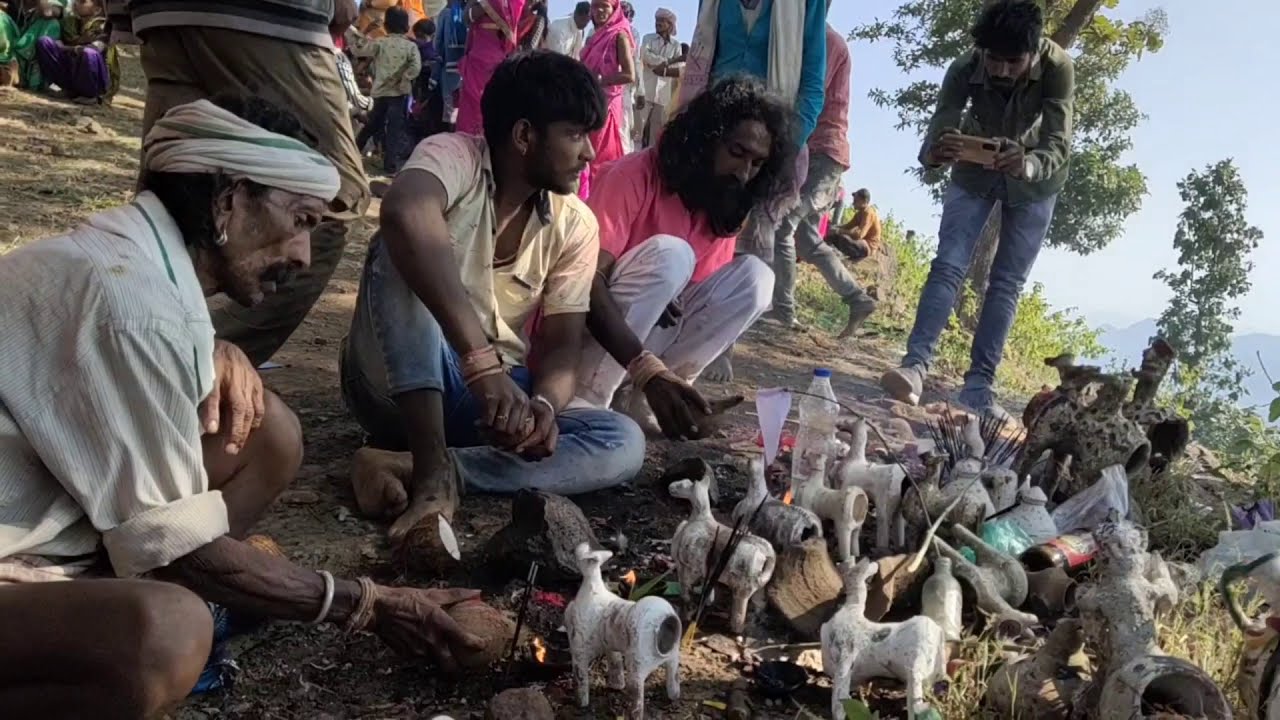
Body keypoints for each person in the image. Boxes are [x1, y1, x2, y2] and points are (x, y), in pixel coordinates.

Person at [0, 96, 486, 718]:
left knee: (266, 430)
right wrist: (367, 602)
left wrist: (215, 346)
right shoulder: (131, 304)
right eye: (302, 221)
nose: (304, 258)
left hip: (42, 526)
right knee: (170, 632)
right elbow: (181, 548)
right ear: (228, 201)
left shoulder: (138, 261)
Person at [340, 51, 644, 567]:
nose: (590, 153)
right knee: (398, 246)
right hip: (394, 382)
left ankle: (437, 468)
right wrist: (481, 364)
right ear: (524, 136)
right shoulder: (453, 155)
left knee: (622, 440)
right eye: (575, 135)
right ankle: (431, 471)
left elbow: (563, 346)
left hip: (483, 401)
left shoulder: (576, 224)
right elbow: (403, 209)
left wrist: (544, 409)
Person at [128, 0, 369, 367]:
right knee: (335, 196)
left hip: (159, 12)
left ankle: (135, 349)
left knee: (170, 187)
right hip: (267, 12)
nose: (301, 255)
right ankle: (193, 369)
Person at [880, 0, 1073, 420]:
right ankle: (914, 367)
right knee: (948, 264)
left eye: (1013, 61)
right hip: (974, 169)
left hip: (1035, 179)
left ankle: (979, 386)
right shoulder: (964, 67)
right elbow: (939, 126)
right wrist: (937, 150)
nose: (1001, 70)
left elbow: (1059, 140)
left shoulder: (1059, 68)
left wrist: (1027, 162)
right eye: (993, 60)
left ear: (1035, 50)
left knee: (1006, 282)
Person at [578, 76, 793, 437]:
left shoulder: (723, 204)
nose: (744, 173)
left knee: (758, 279)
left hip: (645, 359)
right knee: (672, 256)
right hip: (592, 335)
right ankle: (588, 400)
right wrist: (652, 280)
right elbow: (584, 280)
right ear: (707, 140)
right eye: (736, 153)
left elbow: (695, 304)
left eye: (757, 163)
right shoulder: (632, 174)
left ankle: (655, 399)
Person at [675, 0, 828, 380]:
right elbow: (703, 58)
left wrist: (783, 146)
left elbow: (811, 83)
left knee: (751, 250)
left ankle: (719, 344)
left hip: (769, 145)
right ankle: (670, 339)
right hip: (713, 136)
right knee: (692, 237)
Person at [769, 19, 875, 338]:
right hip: (811, 148)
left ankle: (782, 311)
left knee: (785, 221)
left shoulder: (827, 42)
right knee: (806, 237)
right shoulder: (809, 39)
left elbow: (807, 94)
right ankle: (858, 298)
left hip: (823, 152)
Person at [350, 8, 421, 174]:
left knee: (371, 125)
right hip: (399, 94)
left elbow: (357, 49)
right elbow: (415, 67)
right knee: (395, 129)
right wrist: (405, 78)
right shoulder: (411, 46)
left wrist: (366, 31)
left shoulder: (380, 43)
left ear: (387, 25)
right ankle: (390, 166)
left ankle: (352, 153)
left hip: (380, 93)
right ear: (406, 26)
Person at [577, 0, 634, 197]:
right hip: (590, 101)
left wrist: (602, 80)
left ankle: (600, 199)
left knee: (601, 157)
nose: (599, 11)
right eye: (596, 6)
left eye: (605, 6)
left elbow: (629, 74)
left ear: (614, 9)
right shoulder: (594, 36)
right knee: (585, 154)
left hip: (607, 104)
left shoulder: (619, 35)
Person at [454, 0, 526, 136]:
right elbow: (467, 18)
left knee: (487, 106)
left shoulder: (515, 3)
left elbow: (467, 17)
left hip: (495, 59)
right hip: (484, 58)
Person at [33, 0, 117, 103]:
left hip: (95, 77)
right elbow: (49, 13)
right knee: (44, 42)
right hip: (73, 69)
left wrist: (67, 48)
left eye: (82, 1)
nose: (76, 3)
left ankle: (90, 95)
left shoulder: (103, 26)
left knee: (88, 54)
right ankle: (68, 89)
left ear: (97, 10)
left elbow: (95, 48)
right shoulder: (70, 21)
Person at [635, 7, 681, 149]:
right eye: (656, 21)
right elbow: (645, 56)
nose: (658, 24)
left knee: (656, 136)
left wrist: (662, 65)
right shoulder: (648, 38)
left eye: (662, 21)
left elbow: (678, 67)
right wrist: (668, 61)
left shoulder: (676, 45)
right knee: (637, 132)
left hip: (663, 96)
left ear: (669, 25)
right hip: (646, 92)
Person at [433, 0, 467, 129]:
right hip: (468, 65)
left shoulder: (445, 14)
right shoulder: (471, 11)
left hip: (449, 67)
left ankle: (452, 134)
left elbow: (437, 43)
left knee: (450, 105)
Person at [828, 188, 882, 262]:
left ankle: (854, 257)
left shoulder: (868, 213)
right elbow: (847, 226)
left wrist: (839, 231)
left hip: (869, 246)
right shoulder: (859, 213)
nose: (853, 203)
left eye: (856, 201)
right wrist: (833, 227)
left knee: (843, 237)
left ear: (863, 201)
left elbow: (859, 235)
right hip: (862, 242)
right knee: (834, 236)